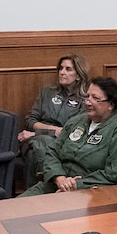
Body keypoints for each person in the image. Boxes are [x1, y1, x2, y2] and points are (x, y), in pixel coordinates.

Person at [20, 77, 117, 195]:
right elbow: (53, 151)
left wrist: (77, 184)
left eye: (95, 98)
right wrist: (59, 177)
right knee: (14, 208)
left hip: (90, 193)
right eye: (87, 97)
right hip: (56, 184)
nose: (87, 102)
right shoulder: (77, 121)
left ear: (111, 104)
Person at [17, 53, 89, 187]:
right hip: (38, 140)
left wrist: (36, 133)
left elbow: (73, 132)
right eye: (60, 68)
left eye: (68, 69)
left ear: (78, 75)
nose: (62, 73)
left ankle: (38, 190)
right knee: (43, 142)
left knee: (36, 150)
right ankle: (53, 183)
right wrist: (53, 131)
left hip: (65, 143)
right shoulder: (47, 92)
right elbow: (31, 120)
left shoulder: (85, 100)